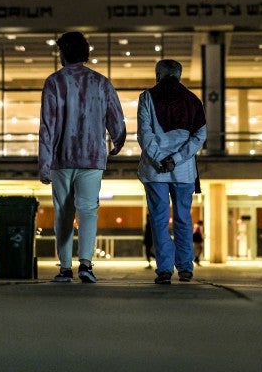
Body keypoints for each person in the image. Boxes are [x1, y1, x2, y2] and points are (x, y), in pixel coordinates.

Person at [38, 31, 126, 283]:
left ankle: (65, 268)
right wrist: (118, 140)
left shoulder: (54, 82)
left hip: (62, 157)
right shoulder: (101, 82)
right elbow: (116, 117)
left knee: (63, 212)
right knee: (88, 210)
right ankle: (86, 264)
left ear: (63, 53)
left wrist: (44, 163)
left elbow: (48, 126)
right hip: (92, 157)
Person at [137, 59, 207, 285]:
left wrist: (160, 159)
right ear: (179, 75)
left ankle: (165, 269)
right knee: (183, 219)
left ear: (158, 75)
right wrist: (176, 159)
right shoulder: (193, 100)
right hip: (184, 171)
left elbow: (144, 134)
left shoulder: (147, 97)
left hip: (155, 169)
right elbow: (200, 137)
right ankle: (186, 268)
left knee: (158, 220)